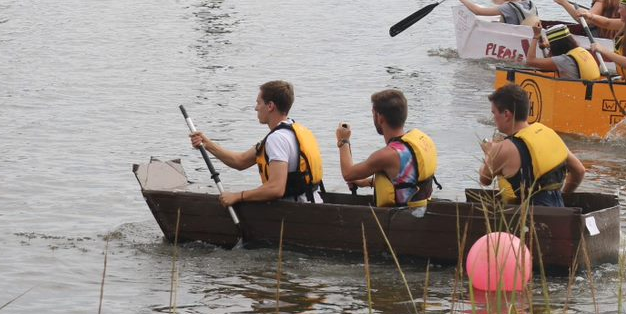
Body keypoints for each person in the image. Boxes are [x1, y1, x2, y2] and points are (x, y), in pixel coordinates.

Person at [188, 80, 324, 206]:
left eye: (259, 103)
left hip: (297, 212)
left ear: (270, 106)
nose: (256, 108)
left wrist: (238, 196)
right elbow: (240, 161)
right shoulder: (291, 130)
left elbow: (276, 189)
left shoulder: (277, 139)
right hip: (312, 203)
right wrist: (207, 144)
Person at [480, 84, 585, 207]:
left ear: (507, 114)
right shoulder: (549, 134)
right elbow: (580, 171)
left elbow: (484, 180)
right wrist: (563, 195)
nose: (494, 118)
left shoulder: (503, 148)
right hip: (559, 211)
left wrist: (489, 153)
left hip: (531, 219)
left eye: (494, 113)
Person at [334, 89, 439, 212]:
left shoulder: (387, 155)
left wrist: (343, 141)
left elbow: (348, 174)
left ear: (380, 117)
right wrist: (367, 182)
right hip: (422, 213)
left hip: (402, 220)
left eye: (373, 113)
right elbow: (407, 181)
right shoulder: (420, 141)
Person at [523, 23, 602, 81]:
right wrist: (547, 46)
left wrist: (536, 36)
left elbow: (530, 61)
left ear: (556, 46)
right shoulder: (581, 51)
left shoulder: (564, 60)